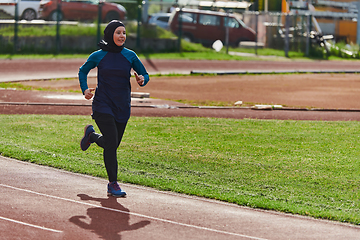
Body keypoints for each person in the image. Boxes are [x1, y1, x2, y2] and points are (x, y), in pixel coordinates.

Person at [78, 20, 149, 197]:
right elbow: (82, 71)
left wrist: (142, 80)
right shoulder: (98, 55)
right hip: (103, 104)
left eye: (124, 33)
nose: (122, 36)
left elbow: (145, 74)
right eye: (118, 32)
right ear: (110, 34)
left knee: (112, 144)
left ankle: (91, 136)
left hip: (122, 106)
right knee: (111, 143)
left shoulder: (130, 55)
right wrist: (85, 89)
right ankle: (113, 183)